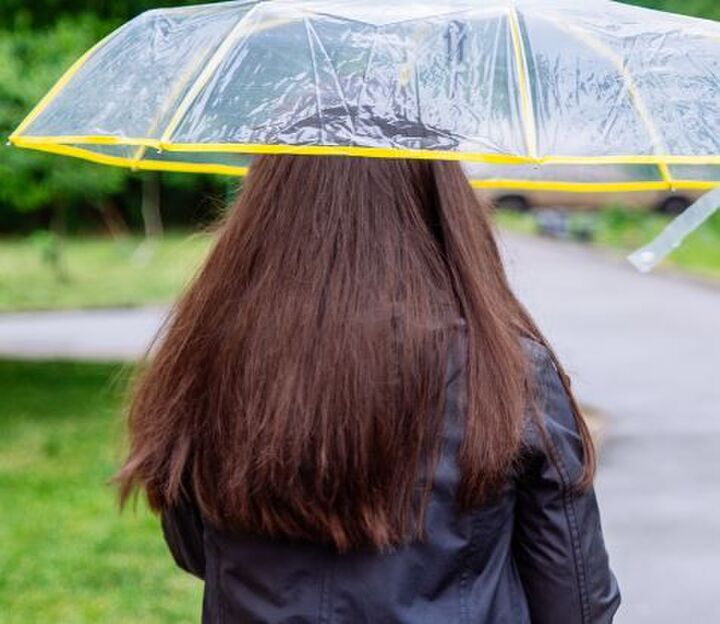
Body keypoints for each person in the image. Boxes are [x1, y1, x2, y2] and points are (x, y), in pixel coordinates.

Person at [115, 155, 620, 623]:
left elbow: (196, 551)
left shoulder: (211, 356)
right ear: (441, 203)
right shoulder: (507, 369)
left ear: (266, 208)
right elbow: (576, 602)